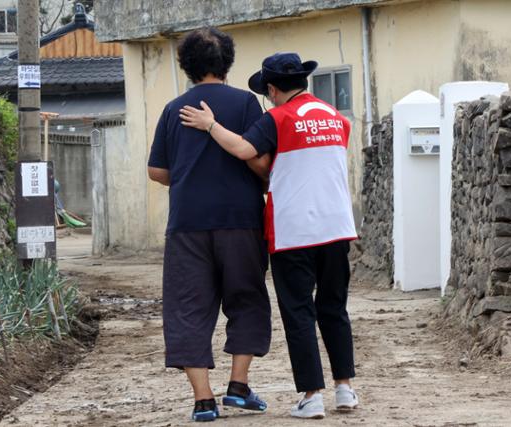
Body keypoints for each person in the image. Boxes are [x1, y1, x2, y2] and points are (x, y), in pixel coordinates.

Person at [179, 52, 359, 420]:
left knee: (299, 313)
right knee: (334, 308)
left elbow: (245, 150)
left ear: (273, 90)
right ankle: (345, 389)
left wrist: (211, 125)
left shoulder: (277, 118)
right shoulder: (336, 118)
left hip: (294, 232)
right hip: (337, 227)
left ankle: (312, 396)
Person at [147, 28, 272, 422]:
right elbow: (261, 160)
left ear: (187, 65)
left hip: (187, 223)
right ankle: (238, 386)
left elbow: (157, 171)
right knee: (246, 298)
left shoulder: (173, 109)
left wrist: (189, 176)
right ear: (227, 63)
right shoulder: (246, 103)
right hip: (241, 220)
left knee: (187, 308)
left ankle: (203, 401)